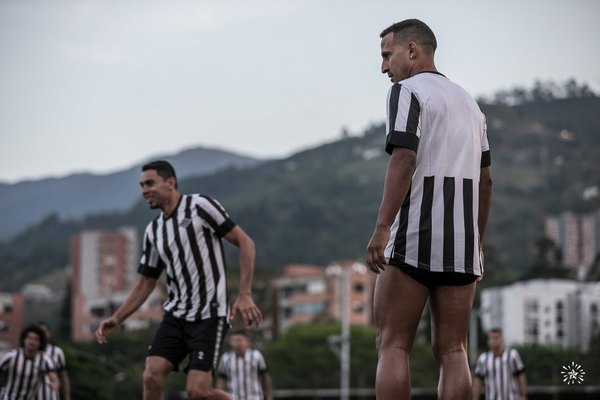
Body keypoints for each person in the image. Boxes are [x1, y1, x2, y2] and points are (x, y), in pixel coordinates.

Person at [365, 19, 493, 400]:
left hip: (414, 238)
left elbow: (404, 158)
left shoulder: (409, 91)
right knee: (454, 351)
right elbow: (486, 182)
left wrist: (382, 226)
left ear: (412, 50)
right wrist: (477, 244)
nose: (384, 67)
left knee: (392, 344)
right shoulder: (471, 104)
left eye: (387, 56)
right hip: (462, 246)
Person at [95, 160, 263, 400]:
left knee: (198, 391)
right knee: (151, 377)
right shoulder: (153, 231)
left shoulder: (200, 206)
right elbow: (146, 282)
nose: (144, 191)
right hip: (176, 315)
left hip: (209, 314)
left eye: (150, 183)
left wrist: (244, 294)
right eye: (141, 185)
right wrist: (117, 317)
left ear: (170, 182)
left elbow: (246, 243)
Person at [0, 325, 59, 400]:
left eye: (36, 339)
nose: (32, 341)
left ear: (41, 343)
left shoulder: (45, 360)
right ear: (24, 340)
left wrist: (54, 384)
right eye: (29, 338)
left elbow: (54, 378)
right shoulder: (11, 356)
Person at [216, 330, 273, 400]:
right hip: (233, 397)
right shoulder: (226, 358)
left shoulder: (256, 356)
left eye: (240, 340)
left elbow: (265, 377)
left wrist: (269, 396)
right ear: (230, 342)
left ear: (247, 342)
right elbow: (222, 380)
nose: (238, 343)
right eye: (235, 340)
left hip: (254, 397)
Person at [472, 328, 527, 400]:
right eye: (490, 338)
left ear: (502, 339)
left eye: (495, 338)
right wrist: (475, 397)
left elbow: (520, 376)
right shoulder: (483, 359)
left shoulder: (512, 355)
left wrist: (523, 395)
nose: (492, 341)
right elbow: (478, 381)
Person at [36, 322, 70, 400]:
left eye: (43, 332)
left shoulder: (57, 352)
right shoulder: (25, 353)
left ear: (49, 334)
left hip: (50, 396)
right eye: (38, 332)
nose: (41, 335)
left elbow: (63, 376)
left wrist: (67, 397)